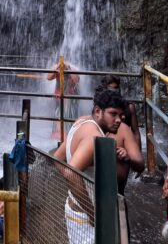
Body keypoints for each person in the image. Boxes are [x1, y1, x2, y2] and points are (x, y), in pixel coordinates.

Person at [54, 89, 128, 244]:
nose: (119, 120)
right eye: (113, 114)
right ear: (98, 111)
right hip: (85, 217)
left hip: (73, 208)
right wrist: (93, 215)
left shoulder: (81, 122)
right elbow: (70, 173)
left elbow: (57, 158)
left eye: (121, 115)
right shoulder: (94, 138)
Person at [99, 74, 141, 149]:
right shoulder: (101, 108)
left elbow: (136, 132)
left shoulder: (129, 107)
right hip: (107, 146)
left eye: (117, 88)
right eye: (112, 88)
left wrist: (137, 151)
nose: (115, 91)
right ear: (105, 89)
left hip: (125, 147)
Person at [47, 60, 80, 140]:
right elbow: (49, 77)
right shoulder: (56, 67)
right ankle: (58, 135)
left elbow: (77, 80)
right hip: (59, 97)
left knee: (69, 115)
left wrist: (68, 68)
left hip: (70, 98)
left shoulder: (72, 68)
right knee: (59, 115)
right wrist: (57, 68)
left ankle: (69, 135)